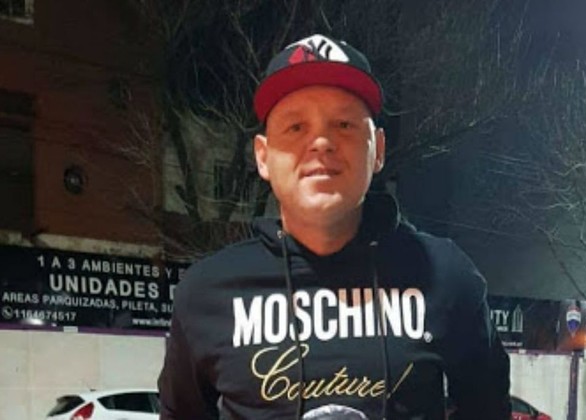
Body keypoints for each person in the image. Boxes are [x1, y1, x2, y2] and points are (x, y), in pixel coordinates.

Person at [158, 33, 511, 420]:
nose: (321, 142)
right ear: (263, 156)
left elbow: (488, 410)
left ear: (378, 149)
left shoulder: (445, 276)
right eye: (296, 127)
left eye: (344, 124)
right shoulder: (207, 293)